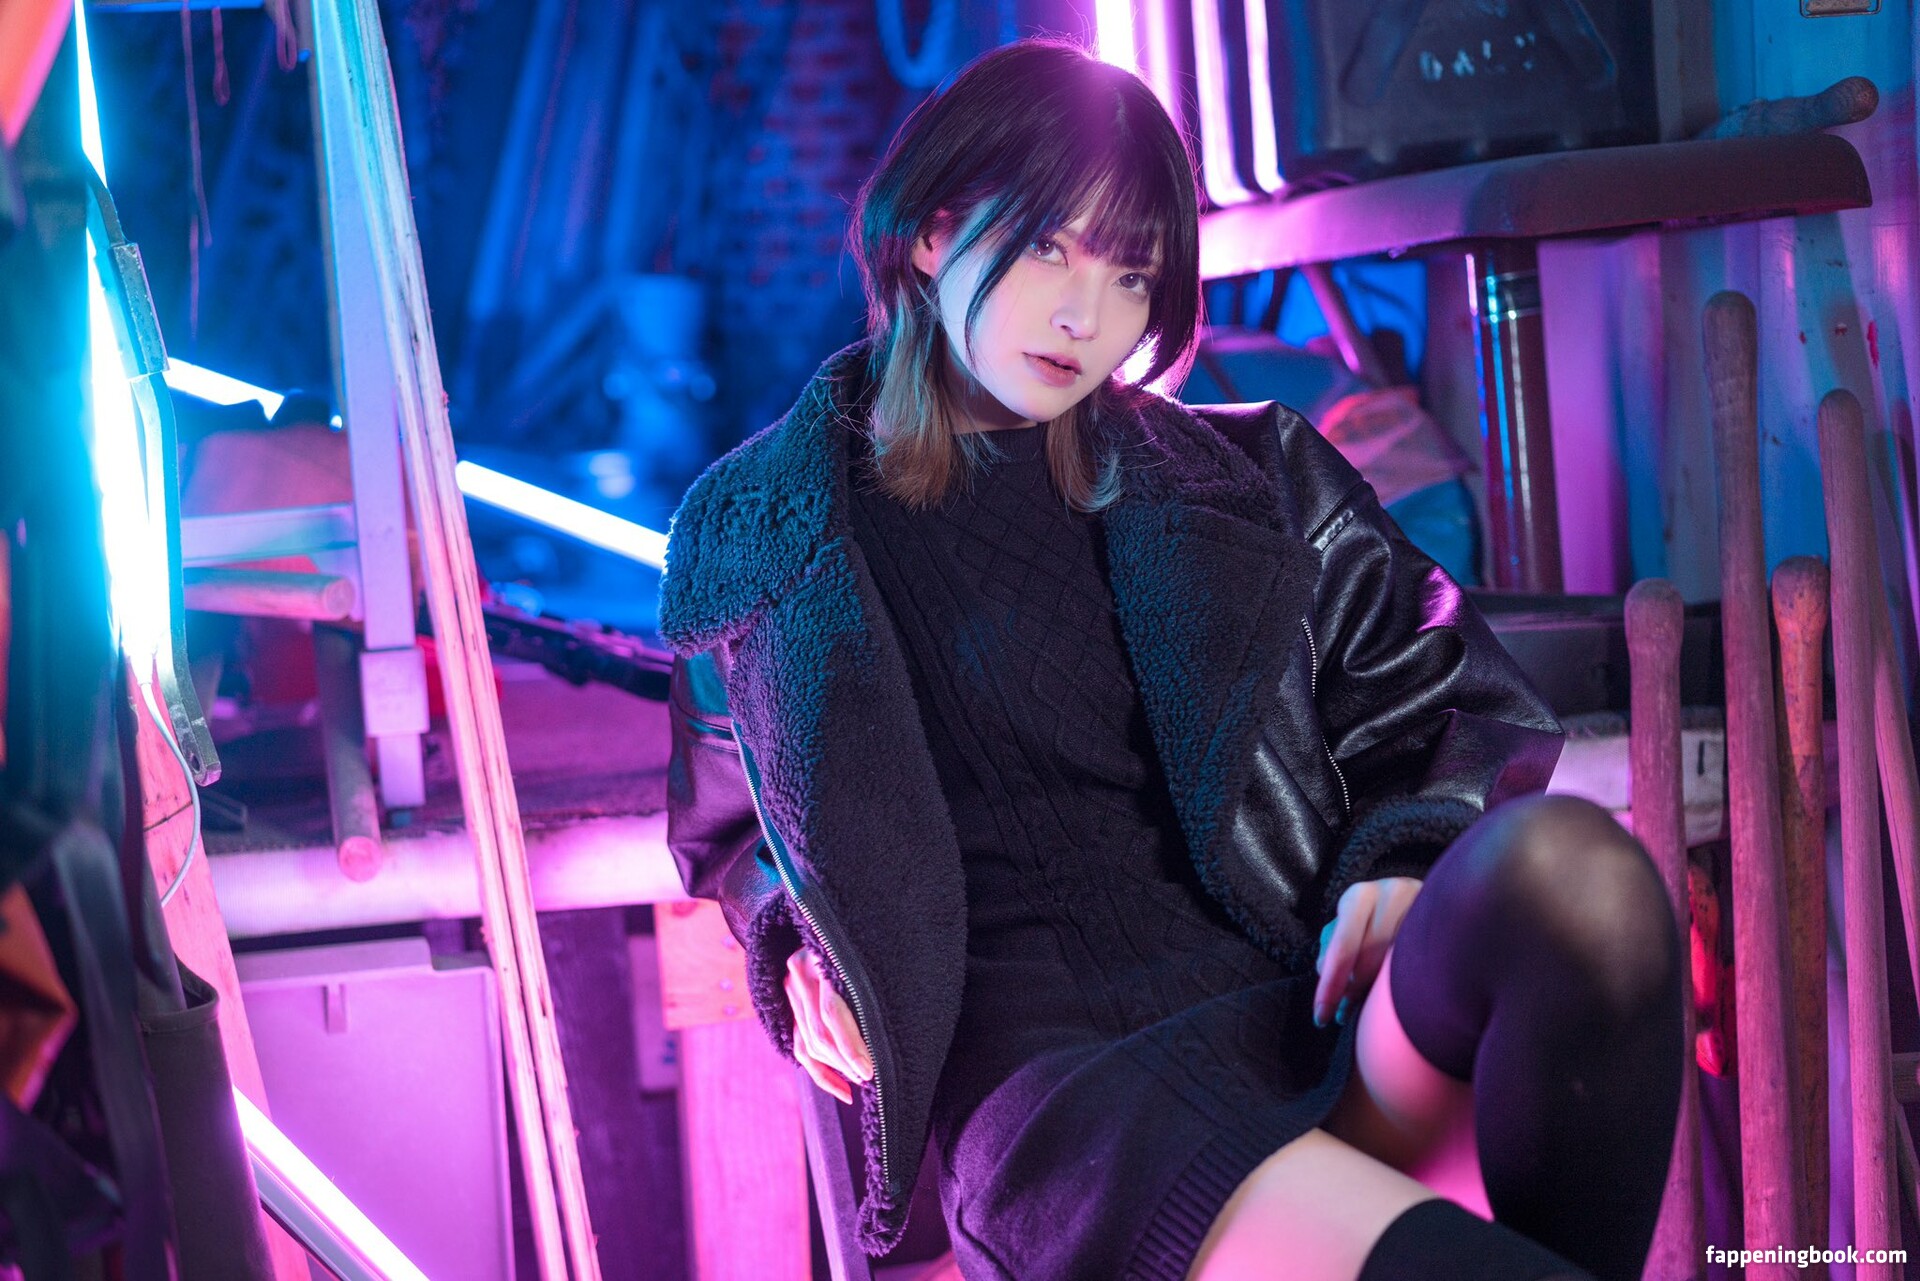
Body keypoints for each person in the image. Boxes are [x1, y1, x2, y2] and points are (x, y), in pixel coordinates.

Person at [660, 38, 1681, 1281]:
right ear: (929, 236)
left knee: (1583, 875)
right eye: (1047, 246)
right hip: (1068, 1100)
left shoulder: (1250, 475)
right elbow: (740, 825)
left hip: (1304, 1002)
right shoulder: (763, 535)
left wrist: (1407, 856)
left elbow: (1437, 697)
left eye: (1132, 275)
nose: (1086, 316)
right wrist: (796, 938)